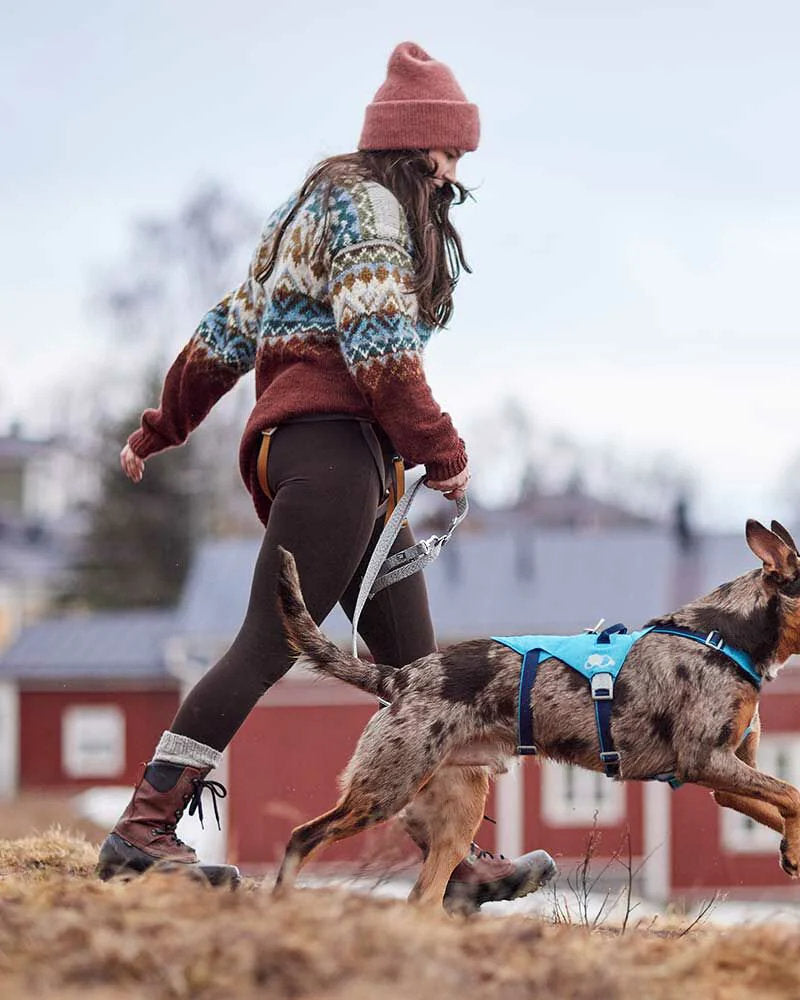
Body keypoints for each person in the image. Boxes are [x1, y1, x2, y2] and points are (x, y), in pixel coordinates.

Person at [97, 41, 556, 908]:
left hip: (337, 464)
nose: (456, 177)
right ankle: (142, 829)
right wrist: (447, 453)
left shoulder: (305, 209)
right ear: (418, 145)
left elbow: (227, 332)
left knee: (423, 676)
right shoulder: (374, 211)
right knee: (264, 648)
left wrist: (163, 426)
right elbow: (382, 356)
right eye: (452, 155)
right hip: (333, 457)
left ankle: (452, 868)